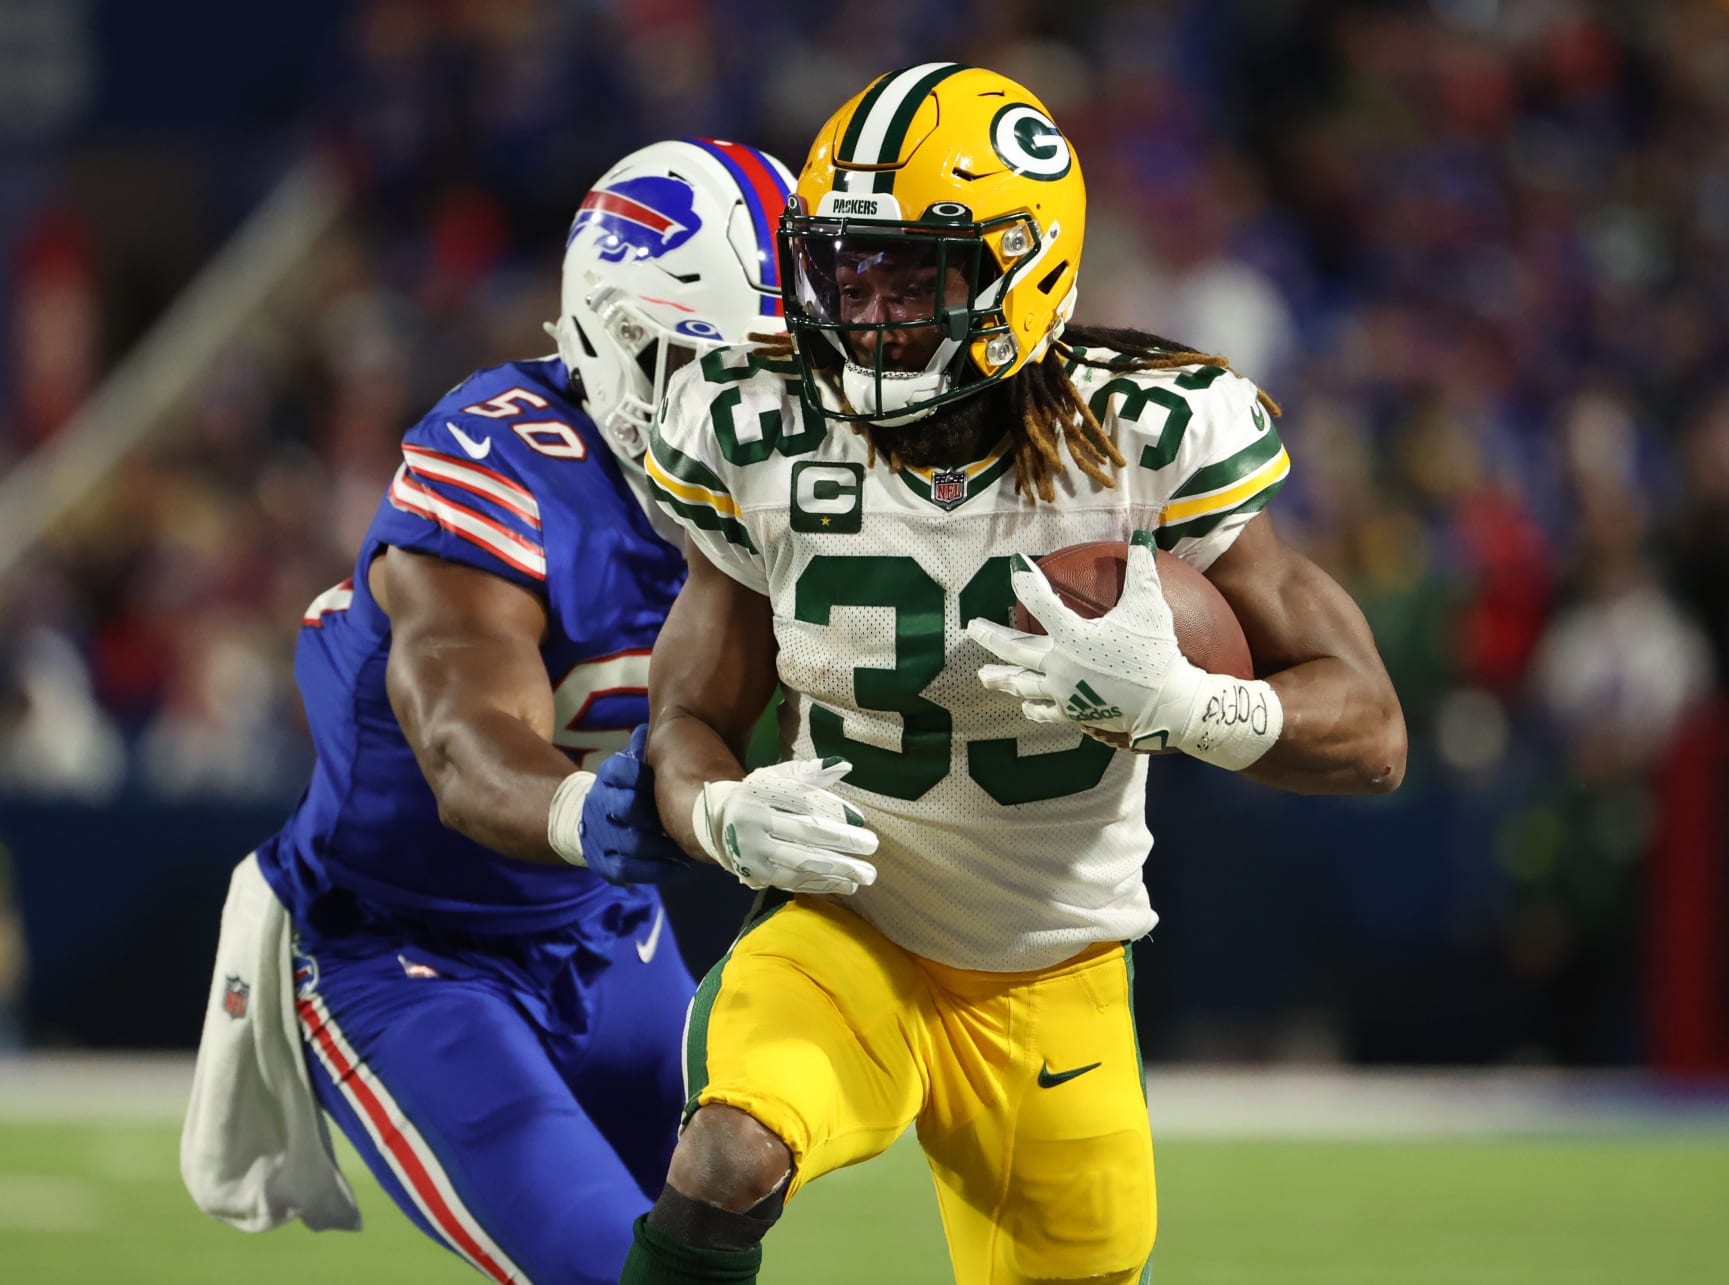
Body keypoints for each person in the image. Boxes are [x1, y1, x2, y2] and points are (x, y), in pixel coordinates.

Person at [623, 64, 1407, 1285]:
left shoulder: (1142, 434)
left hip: (1056, 963)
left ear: (1022, 268)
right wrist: (718, 810)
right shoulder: (756, 422)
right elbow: (686, 718)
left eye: (913, 273)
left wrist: (1191, 706)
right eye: (846, 266)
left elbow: (1372, 730)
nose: (869, 309)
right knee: (728, 1152)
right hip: (849, 933)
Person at [181, 138, 797, 1285]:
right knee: (604, 1267)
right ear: (620, 338)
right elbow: (466, 749)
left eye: (785, 369)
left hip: (605, 931)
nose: (763, 409)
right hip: (408, 945)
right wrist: (581, 813)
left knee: (717, 1227)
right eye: (727, 366)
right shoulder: (499, 460)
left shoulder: (783, 477)